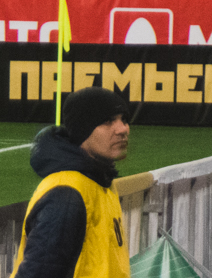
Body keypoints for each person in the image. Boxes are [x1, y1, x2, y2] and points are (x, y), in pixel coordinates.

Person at [11, 86, 131, 278]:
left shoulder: (101, 181)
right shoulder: (66, 196)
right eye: (108, 121)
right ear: (83, 131)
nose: (123, 129)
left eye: (123, 119)